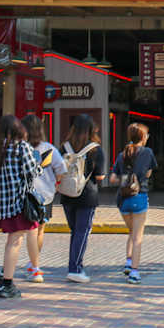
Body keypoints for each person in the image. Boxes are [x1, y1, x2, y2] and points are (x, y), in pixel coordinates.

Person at [0, 115, 42, 299]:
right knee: (15, 241)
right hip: (17, 202)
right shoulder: (21, 147)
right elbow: (33, 171)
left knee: (12, 241)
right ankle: (7, 283)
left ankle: (5, 274)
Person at [60, 114, 105, 283]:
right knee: (82, 232)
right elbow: (100, 177)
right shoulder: (95, 149)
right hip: (87, 195)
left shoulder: (64, 148)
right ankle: (75, 269)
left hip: (67, 194)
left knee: (75, 231)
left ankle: (73, 266)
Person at [22, 113, 66, 283]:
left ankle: (34, 267)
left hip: (25, 195)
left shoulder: (20, 148)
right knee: (39, 230)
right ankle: (34, 265)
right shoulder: (49, 148)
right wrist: (56, 183)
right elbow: (61, 169)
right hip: (45, 196)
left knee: (28, 231)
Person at [111, 122, 157, 283]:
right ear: (143, 137)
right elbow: (149, 173)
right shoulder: (148, 152)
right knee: (137, 237)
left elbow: (112, 178)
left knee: (131, 231)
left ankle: (128, 262)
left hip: (123, 199)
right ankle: (134, 272)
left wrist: (126, 178)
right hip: (140, 197)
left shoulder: (122, 154)